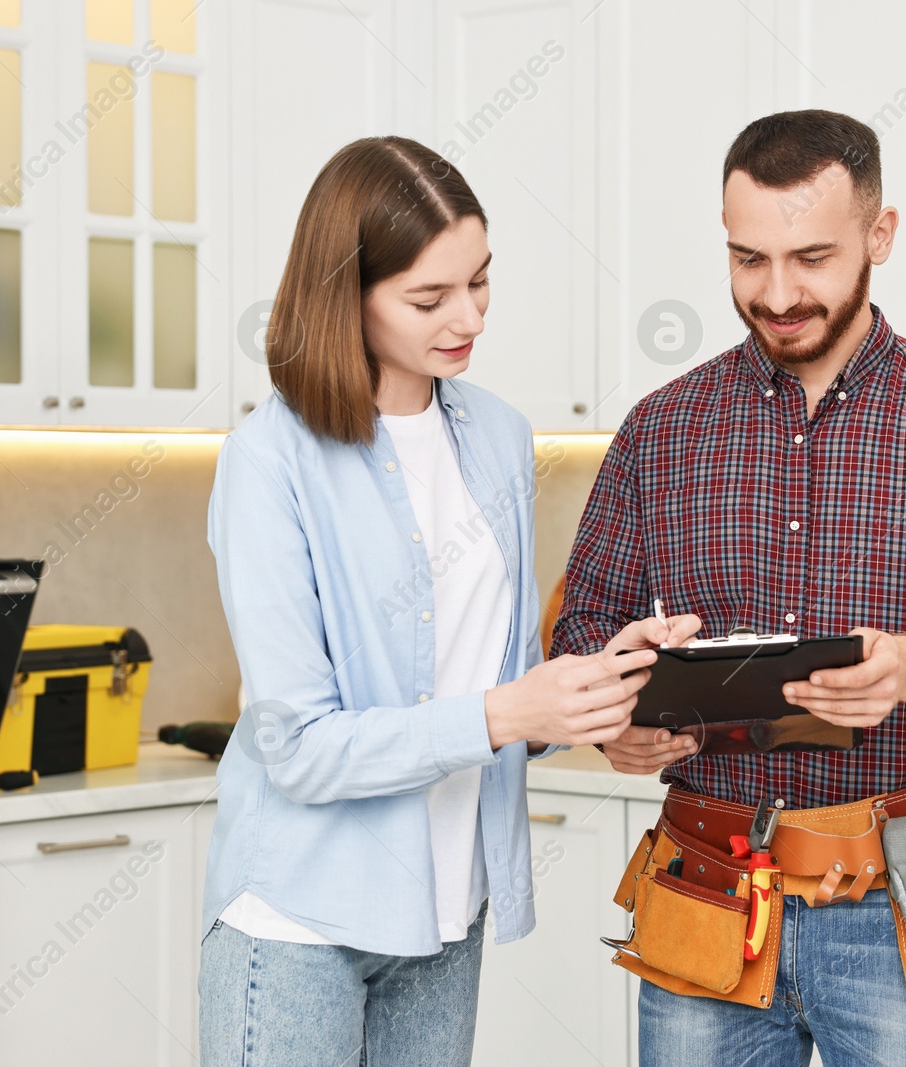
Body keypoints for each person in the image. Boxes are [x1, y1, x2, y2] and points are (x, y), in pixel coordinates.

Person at [552, 110, 906, 1065]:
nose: (778, 292)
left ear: (879, 236)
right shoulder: (658, 429)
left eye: (811, 256)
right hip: (705, 901)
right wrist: (612, 713)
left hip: (904, 910)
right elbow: (584, 626)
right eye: (747, 259)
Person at [197, 135, 653, 1067]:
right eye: (428, 297)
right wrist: (505, 712)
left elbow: (507, 683)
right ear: (346, 294)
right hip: (300, 915)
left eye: (480, 282)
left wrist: (601, 688)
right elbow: (298, 747)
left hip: (450, 908)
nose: (468, 316)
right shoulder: (268, 460)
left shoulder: (496, 435)